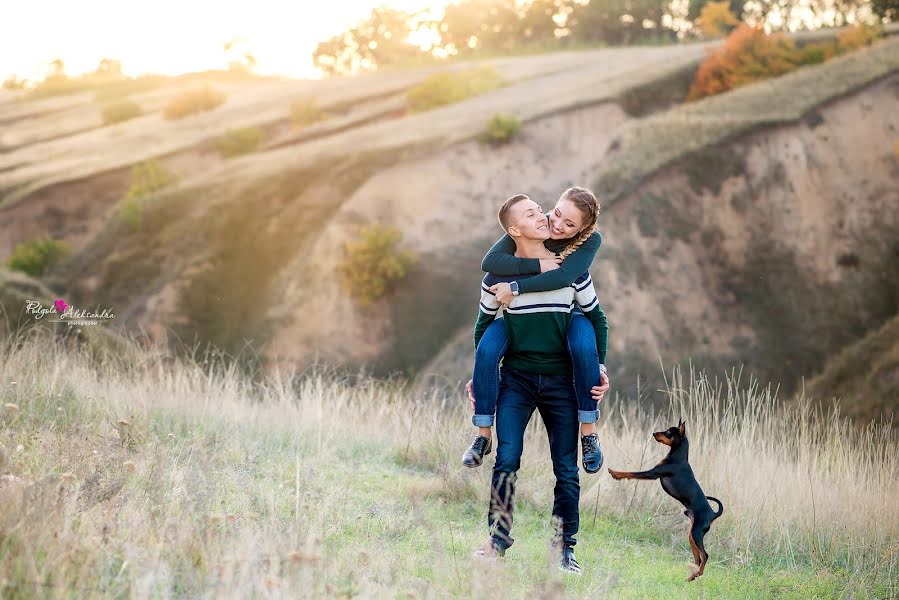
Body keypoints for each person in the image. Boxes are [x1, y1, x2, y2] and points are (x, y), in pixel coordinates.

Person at [469, 193, 609, 574]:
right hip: (516, 380)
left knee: (566, 469)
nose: (550, 221)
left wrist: (600, 367)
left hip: (562, 382)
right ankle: (497, 541)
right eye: (547, 214)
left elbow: (596, 319)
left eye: (565, 222)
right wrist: (479, 376)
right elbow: (483, 328)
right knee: (507, 460)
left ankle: (564, 550)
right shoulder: (495, 276)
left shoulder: (572, 268)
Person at [462, 187, 610, 474]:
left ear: (583, 229)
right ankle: (481, 437)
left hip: (567, 311)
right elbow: (489, 263)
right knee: (488, 347)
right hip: (521, 318)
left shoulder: (589, 240)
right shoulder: (534, 224)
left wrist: (600, 365)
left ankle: (589, 433)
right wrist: (482, 371)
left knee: (582, 343)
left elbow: (566, 275)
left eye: (570, 225)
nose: (557, 225)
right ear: (553, 207)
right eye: (556, 214)